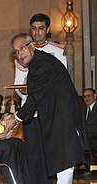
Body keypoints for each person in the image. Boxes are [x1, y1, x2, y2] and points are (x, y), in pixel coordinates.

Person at [10, 33, 87, 184]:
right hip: (58, 118)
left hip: (63, 120)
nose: (19, 54)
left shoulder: (41, 64)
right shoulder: (39, 62)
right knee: (62, 165)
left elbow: (35, 98)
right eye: (16, 51)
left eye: (22, 48)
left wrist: (16, 119)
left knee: (65, 165)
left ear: (32, 45)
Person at [14, 13, 68, 184]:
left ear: (48, 29)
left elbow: (61, 84)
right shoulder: (21, 53)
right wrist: (23, 90)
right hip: (31, 112)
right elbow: (18, 87)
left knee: (51, 154)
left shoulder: (57, 51)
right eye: (34, 29)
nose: (37, 32)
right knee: (33, 155)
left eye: (41, 28)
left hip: (50, 112)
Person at [82, 88, 97, 166]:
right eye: (84, 97)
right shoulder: (83, 109)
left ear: (95, 96)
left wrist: (83, 133)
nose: (86, 98)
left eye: (89, 96)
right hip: (87, 139)